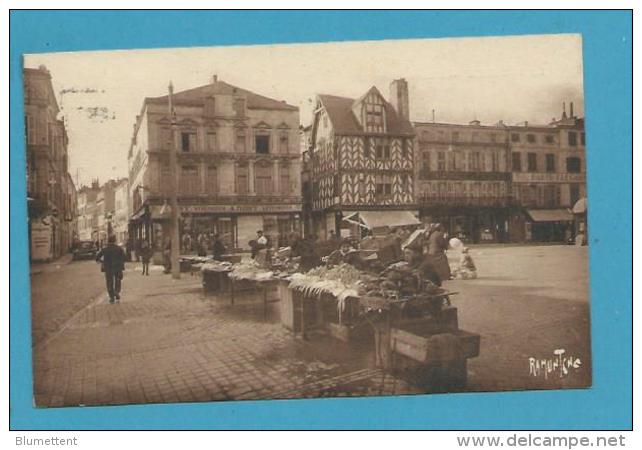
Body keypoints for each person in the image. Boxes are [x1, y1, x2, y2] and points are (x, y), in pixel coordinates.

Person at [95, 234, 126, 303]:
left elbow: (97, 257)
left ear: (108, 241)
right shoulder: (119, 248)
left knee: (109, 282)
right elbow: (124, 257)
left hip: (108, 268)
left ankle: (111, 297)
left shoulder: (105, 249)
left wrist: (102, 261)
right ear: (115, 240)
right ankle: (116, 291)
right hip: (117, 267)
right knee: (118, 280)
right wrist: (121, 263)